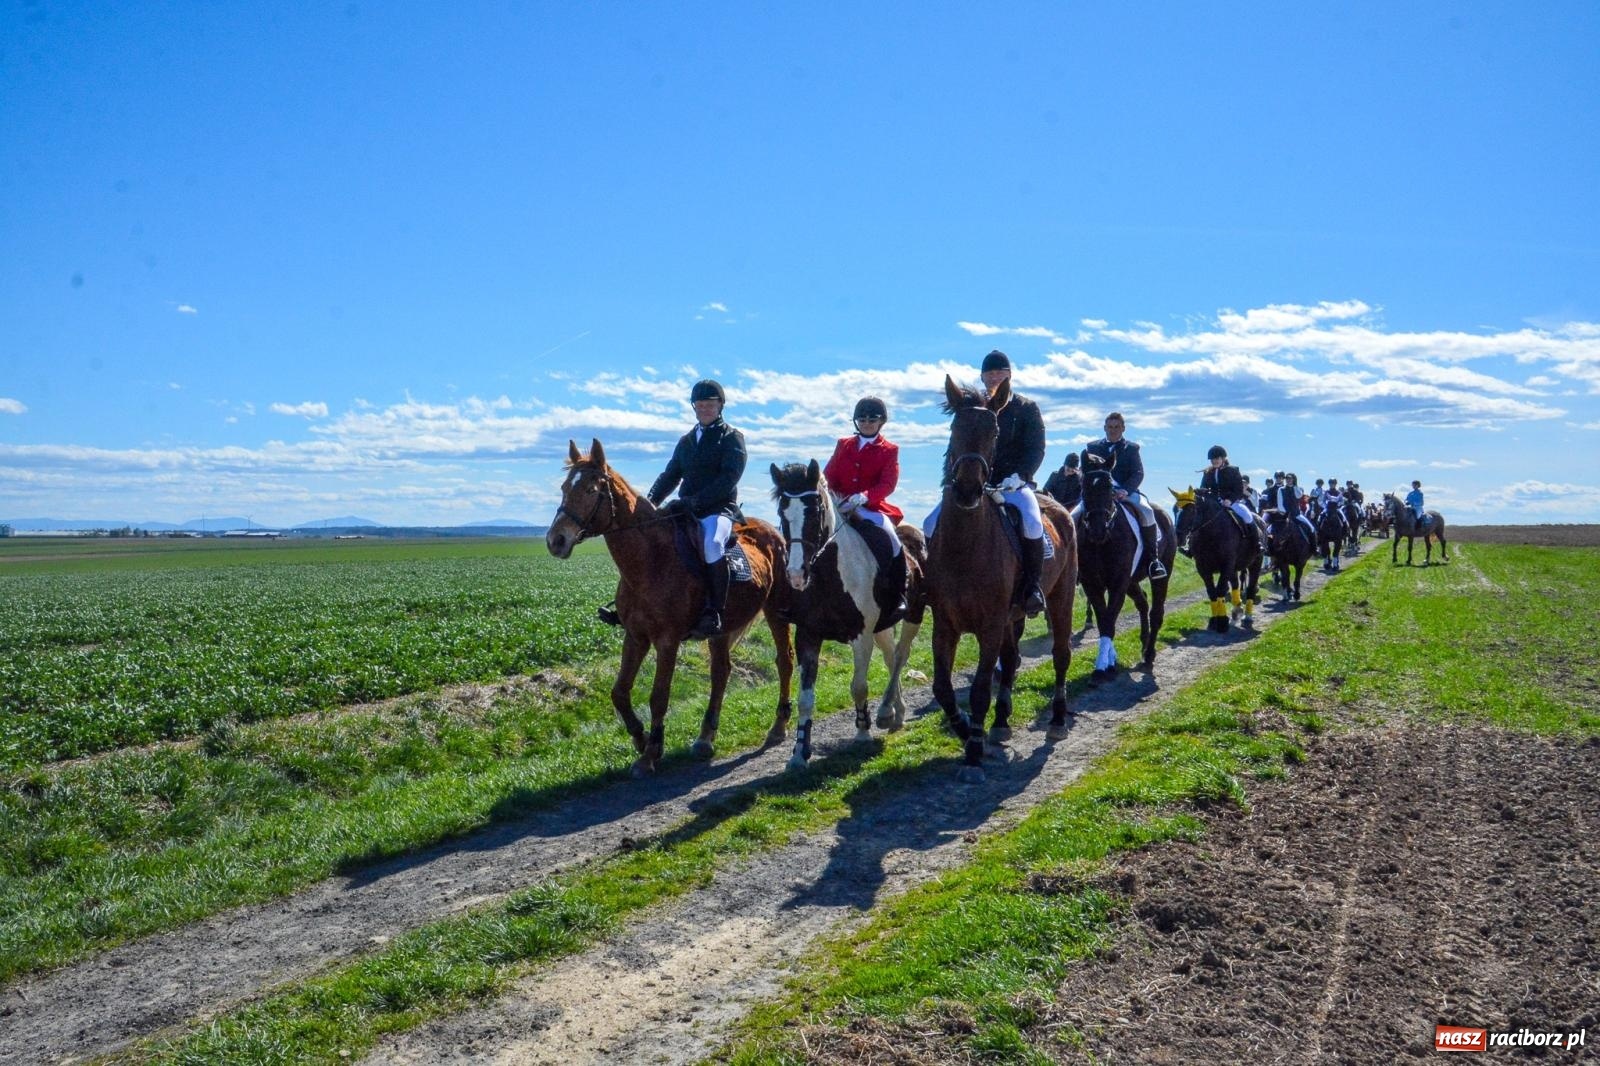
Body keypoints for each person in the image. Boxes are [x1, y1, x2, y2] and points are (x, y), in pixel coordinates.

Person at [926, 350, 1049, 615]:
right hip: (976, 484)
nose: (994, 377)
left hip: (1013, 484)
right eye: (989, 373)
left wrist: (1022, 476)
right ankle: (932, 583)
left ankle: (1032, 585)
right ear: (982, 377)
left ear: (1009, 376)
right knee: (929, 522)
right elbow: (955, 452)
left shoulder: (1026, 408)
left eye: (999, 373)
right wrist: (952, 482)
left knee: (1031, 520)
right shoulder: (973, 412)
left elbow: (1036, 448)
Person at [647, 379, 746, 639]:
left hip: (718, 509)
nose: (704, 409)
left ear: (720, 406)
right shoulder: (686, 441)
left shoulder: (732, 438)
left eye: (710, 404)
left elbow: (729, 478)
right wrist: (651, 502)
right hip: (685, 509)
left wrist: (696, 501)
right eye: (699, 404)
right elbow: (670, 475)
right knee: (651, 542)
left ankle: (714, 610)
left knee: (713, 544)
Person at [823, 396, 907, 631]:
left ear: (881, 422)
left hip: (870, 508)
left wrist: (865, 497)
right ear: (856, 421)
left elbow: (888, 484)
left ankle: (897, 595)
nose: (867, 423)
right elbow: (829, 475)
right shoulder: (843, 444)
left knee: (890, 539)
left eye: (872, 419)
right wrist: (833, 497)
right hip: (839, 505)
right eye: (862, 419)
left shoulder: (889, 450)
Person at [1079, 411, 1167, 578]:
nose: (1113, 430)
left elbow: (1138, 472)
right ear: (1104, 428)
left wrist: (1125, 489)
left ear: (1123, 428)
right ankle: (1073, 562)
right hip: (1099, 494)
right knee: (1074, 514)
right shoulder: (1092, 447)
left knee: (1147, 512)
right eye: (1110, 427)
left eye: (1116, 427)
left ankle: (1154, 560)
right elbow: (1086, 471)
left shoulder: (1131, 448)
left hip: (1125, 492)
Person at [1198, 445, 1266, 552]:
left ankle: (1257, 543)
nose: (1214, 461)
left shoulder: (1233, 471)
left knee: (1247, 516)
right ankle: (1191, 546)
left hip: (1231, 502)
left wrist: (1230, 500)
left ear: (1223, 458)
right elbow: (1203, 487)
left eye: (1217, 459)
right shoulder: (1208, 472)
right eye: (1212, 459)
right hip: (1213, 502)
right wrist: (1201, 491)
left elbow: (1238, 489)